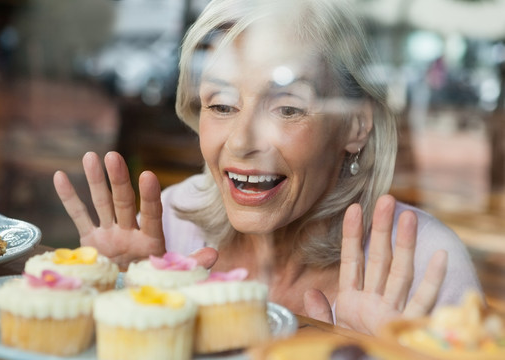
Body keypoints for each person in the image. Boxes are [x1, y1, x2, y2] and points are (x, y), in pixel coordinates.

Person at [53, 0, 482, 335]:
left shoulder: (426, 264)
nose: (241, 142)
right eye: (221, 105)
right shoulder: (167, 227)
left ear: (356, 125)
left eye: (288, 108)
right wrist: (116, 305)